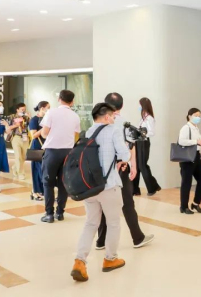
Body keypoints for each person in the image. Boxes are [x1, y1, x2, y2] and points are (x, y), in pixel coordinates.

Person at [71, 103, 128, 282]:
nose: (114, 119)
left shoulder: (87, 132)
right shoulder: (113, 130)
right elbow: (124, 155)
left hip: (90, 187)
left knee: (90, 223)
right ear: (107, 117)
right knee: (113, 223)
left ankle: (79, 262)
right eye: (113, 116)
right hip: (109, 185)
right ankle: (110, 259)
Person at [96, 93, 151, 249]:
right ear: (122, 105)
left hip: (101, 169)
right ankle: (138, 238)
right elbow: (131, 145)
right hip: (121, 167)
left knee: (103, 202)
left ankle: (100, 241)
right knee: (127, 202)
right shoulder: (124, 123)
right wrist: (133, 166)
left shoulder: (98, 122)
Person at [40, 90, 81, 223]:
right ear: (72, 102)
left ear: (59, 99)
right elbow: (76, 135)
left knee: (48, 183)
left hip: (52, 152)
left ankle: (49, 214)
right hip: (68, 152)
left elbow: (44, 133)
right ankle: (60, 213)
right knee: (64, 183)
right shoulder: (75, 116)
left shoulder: (51, 112)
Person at [178, 108, 201, 214]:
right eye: (196, 115)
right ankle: (183, 206)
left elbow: (198, 146)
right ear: (189, 116)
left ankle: (195, 203)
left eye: (199, 116)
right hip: (187, 158)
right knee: (186, 182)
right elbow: (181, 141)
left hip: (196, 157)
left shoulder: (196, 128)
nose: (198, 118)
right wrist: (196, 141)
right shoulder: (186, 128)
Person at [132, 97, 161, 196]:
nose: (139, 107)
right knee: (136, 165)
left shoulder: (149, 118)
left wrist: (143, 134)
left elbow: (152, 132)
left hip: (144, 142)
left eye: (140, 105)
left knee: (142, 165)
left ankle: (152, 187)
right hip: (138, 142)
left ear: (143, 105)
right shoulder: (142, 118)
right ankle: (135, 190)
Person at [28, 101, 49, 201]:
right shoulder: (34, 120)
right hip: (37, 146)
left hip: (46, 146)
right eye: (48, 107)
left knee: (44, 169)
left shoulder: (47, 119)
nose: (49, 109)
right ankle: (36, 192)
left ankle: (41, 191)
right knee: (37, 169)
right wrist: (44, 128)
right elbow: (33, 135)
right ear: (42, 108)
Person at [7, 103, 30, 180]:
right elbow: (7, 128)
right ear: (17, 110)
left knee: (23, 157)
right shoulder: (12, 117)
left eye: (24, 109)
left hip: (25, 138)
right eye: (22, 109)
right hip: (16, 137)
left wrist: (30, 118)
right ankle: (21, 173)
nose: (23, 111)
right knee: (18, 156)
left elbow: (31, 126)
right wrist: (15, 125)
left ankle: (15, 167)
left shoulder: (26, 117)